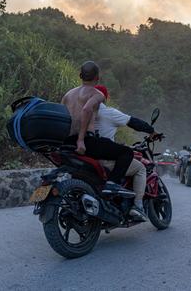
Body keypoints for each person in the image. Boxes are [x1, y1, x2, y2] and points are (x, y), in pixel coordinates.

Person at [61, 61, 134, 196]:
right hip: (86, 142)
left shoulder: (68, 95)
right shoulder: (97, 94)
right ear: (97, 78)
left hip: (67, 141)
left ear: (80, 75)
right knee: (127, 152)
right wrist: (81, 140)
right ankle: (112, 184)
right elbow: (87, 109)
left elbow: (61, 116)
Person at [94, 84, 156, 222]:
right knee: (140, 168)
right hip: (105, 159)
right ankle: (138, 206)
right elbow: (133, 122)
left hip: (89, 155)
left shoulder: (84, 112)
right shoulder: (108, 113)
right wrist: (151, 131)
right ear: (104, 98)